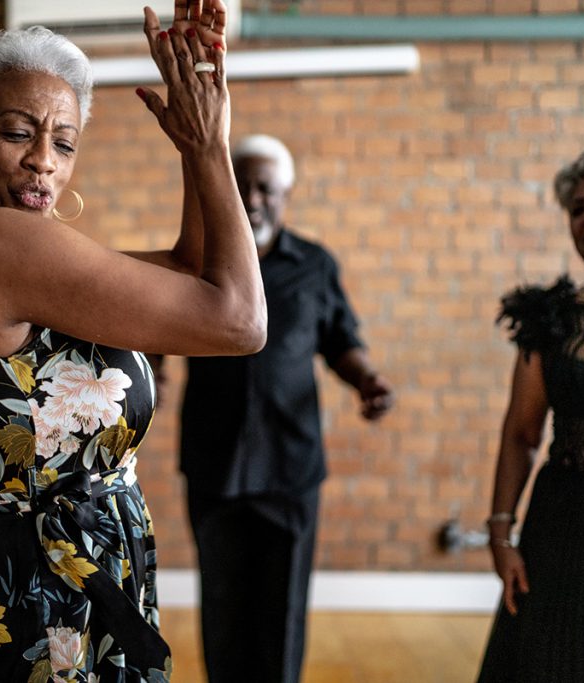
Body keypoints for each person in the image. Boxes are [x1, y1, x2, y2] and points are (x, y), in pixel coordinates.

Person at [0, 1, 268, 679]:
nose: (44, 160)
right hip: (45, 596)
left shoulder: (0, 258)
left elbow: (195, 269)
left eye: (65, 142)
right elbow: (239, 320)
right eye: (18, 132)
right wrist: (215, 148)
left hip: (45, 573)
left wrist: (197, 142)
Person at [178, 133, 394, 683]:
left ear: (286, 194)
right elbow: (156, 326)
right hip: (215, 461)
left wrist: (367, 379)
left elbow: (341, 340)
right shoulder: (199, 262)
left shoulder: (315, 264)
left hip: (291, 467)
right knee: (223, 608)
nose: (252, 198)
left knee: (283, 608)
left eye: (265, 188)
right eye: (242, 185)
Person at [476, 151, 584, 682]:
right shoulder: (550, 318)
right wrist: (501, 536)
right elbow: (521, 435)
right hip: (563, 522)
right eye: (579, 208)